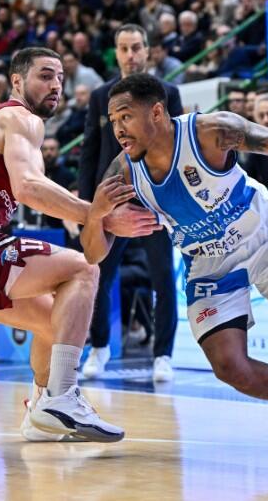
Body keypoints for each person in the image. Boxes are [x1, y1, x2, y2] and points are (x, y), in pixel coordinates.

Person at [84, 72, 268, 447]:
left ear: (156, 112)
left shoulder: (210, 132)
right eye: (113, 120)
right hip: (209, 265)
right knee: (230, 367)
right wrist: (96, 215)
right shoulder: (122, 173)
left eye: (126, 116)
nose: (119, 129)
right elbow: (93, 254)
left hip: (264, 240)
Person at [0, 47, 159, 442]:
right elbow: (28, 187)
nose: (56, 85)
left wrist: (88, 215)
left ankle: (40, 411)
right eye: (45, 75)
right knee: (83, 269)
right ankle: (63, 395)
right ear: (17, 81)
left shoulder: (7, 127)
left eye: (60, 78)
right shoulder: (20, 118)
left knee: (58, 321)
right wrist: (99, 214)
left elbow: (36, 186)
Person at [78, 24, 182, 382]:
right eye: (123, 48)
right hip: (113, 199)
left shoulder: (168, 93)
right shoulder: (99, 96)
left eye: (136, 47)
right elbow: (90, 151)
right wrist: (87, 206)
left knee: (163, 278)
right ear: (116, 52)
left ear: (148, 50)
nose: (130, 55)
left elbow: (177, 148)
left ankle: (163, 354)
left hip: (155, 199)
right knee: (97, 275)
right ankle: (99, 347)